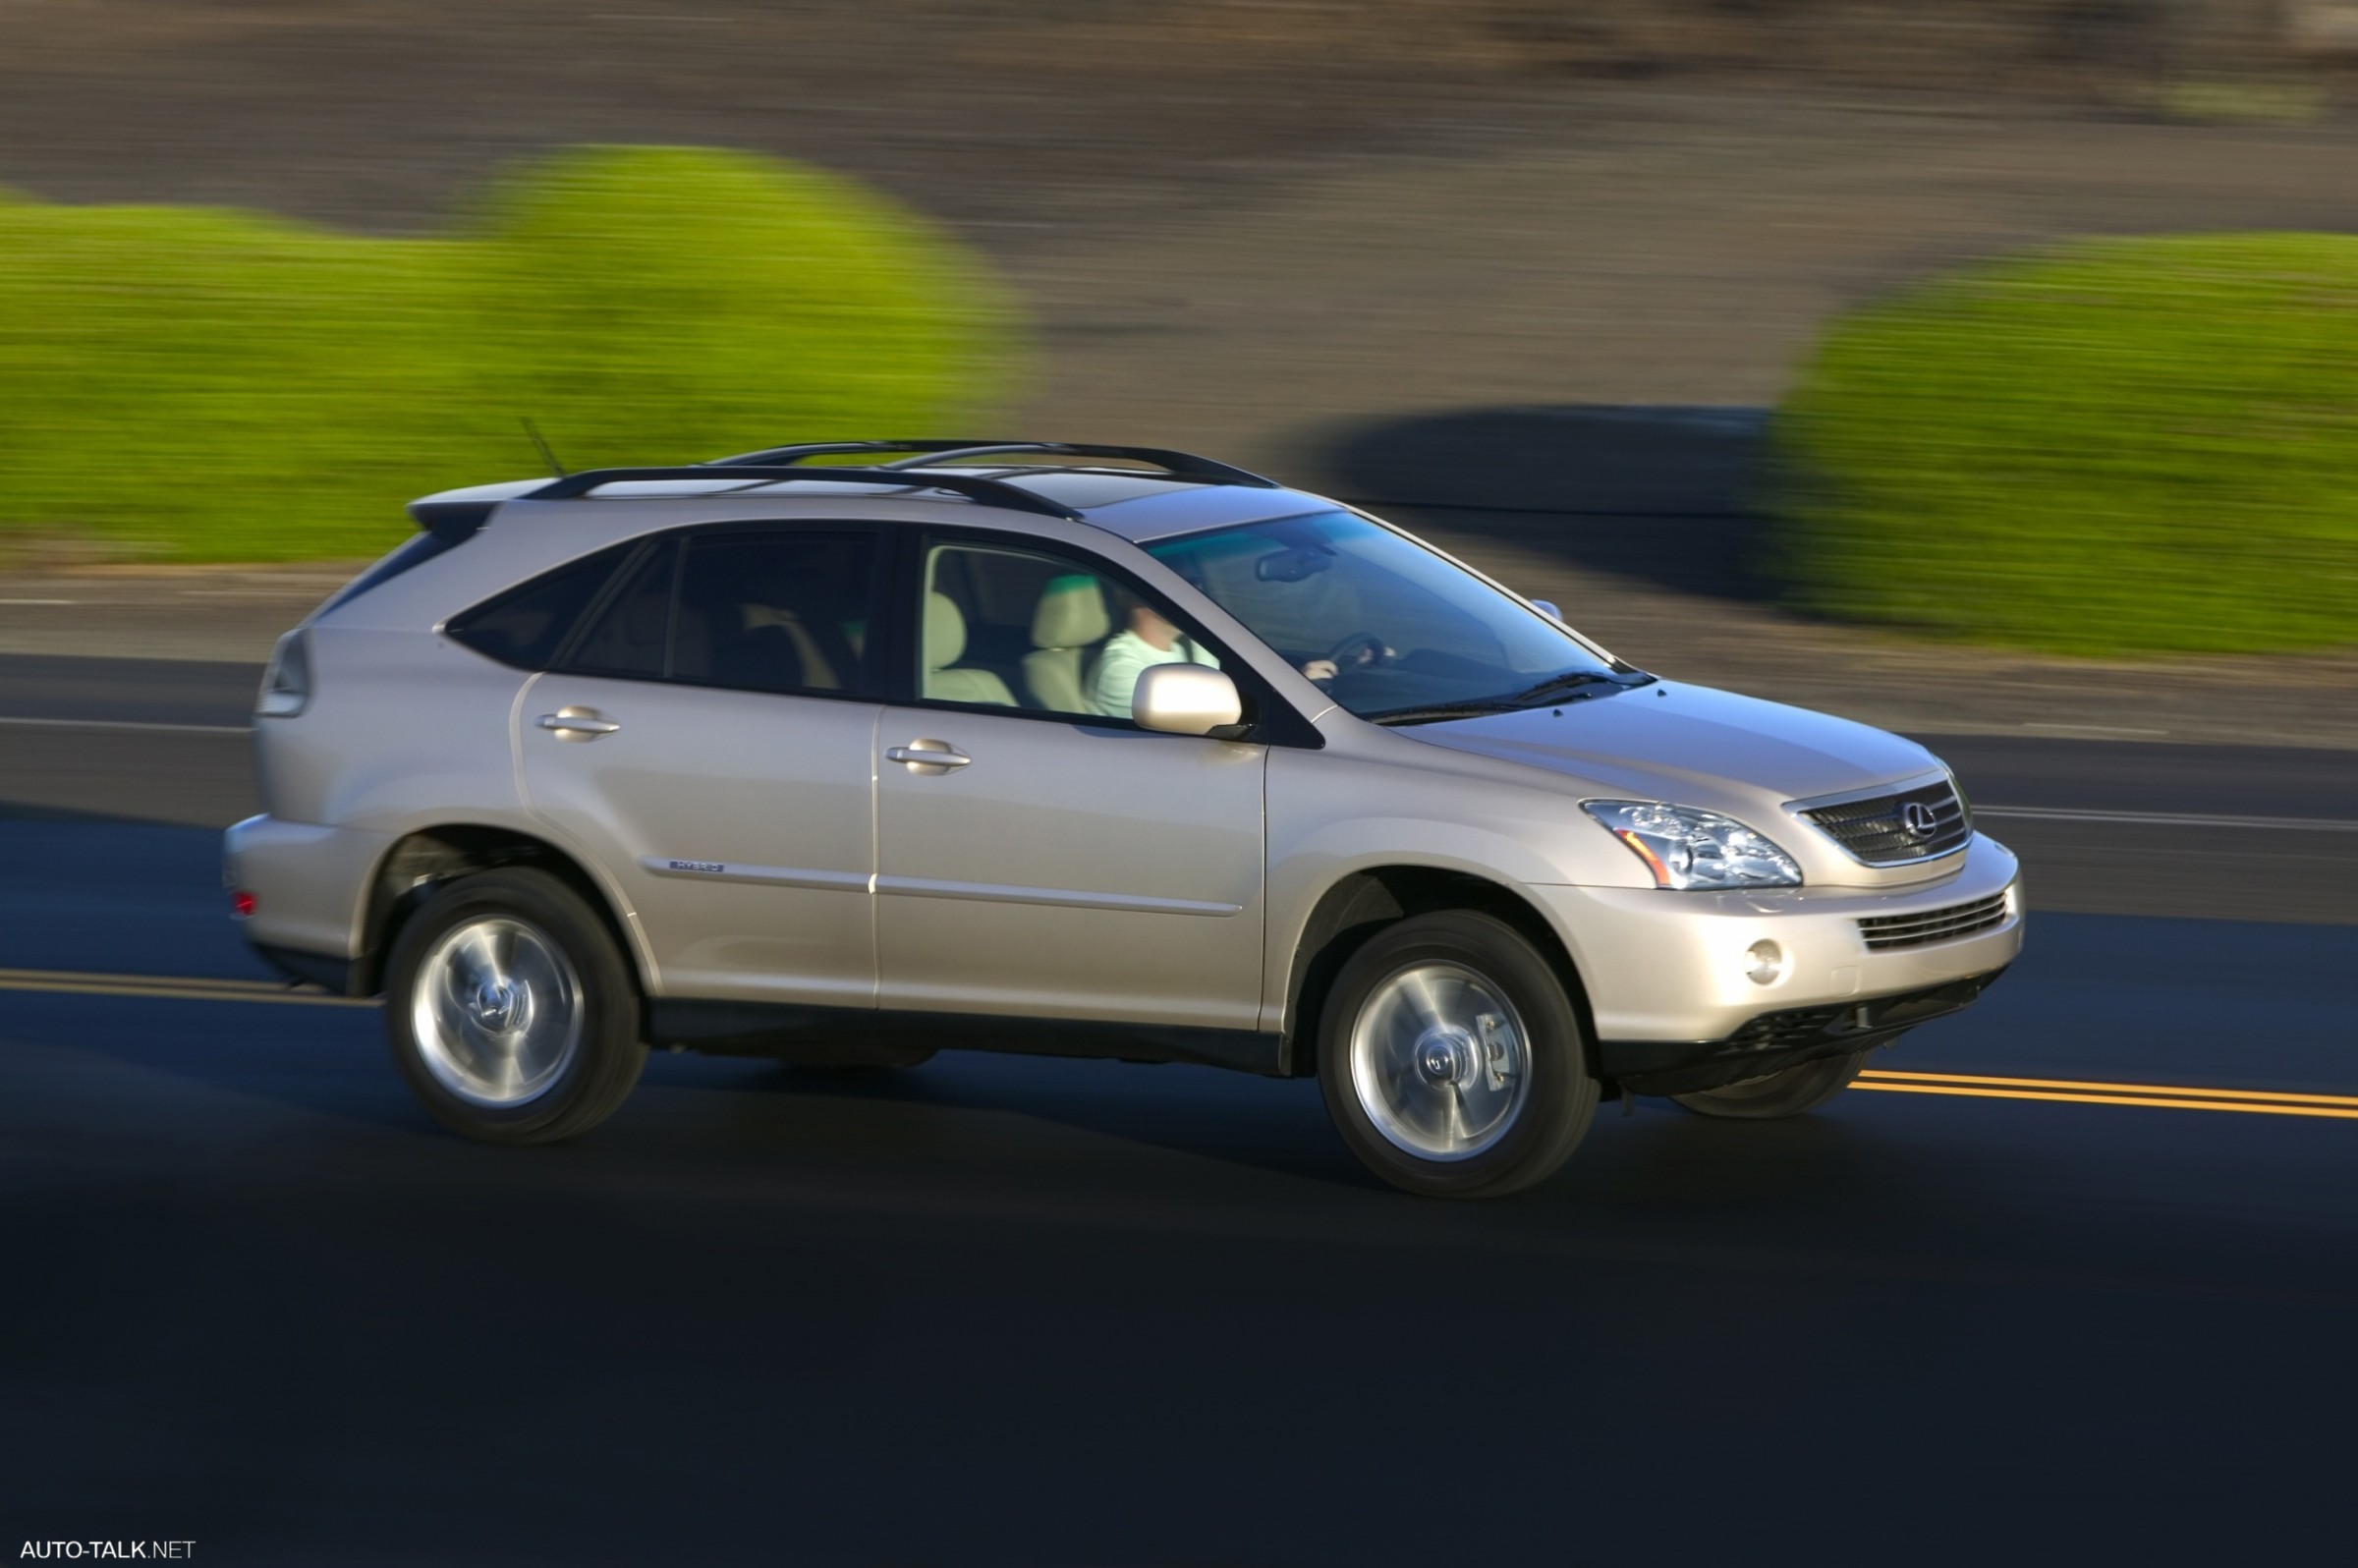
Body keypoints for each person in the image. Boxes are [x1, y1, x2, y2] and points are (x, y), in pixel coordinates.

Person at [1089, 591, 1338, 719]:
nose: (1193, 592)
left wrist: (1297, 682)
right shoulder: (1122, 669)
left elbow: (1246, 689)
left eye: (1194, 583)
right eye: (1181, 584)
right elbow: (1205, 728)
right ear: (1135, 600)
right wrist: (1292, 698)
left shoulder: (1193, 645)